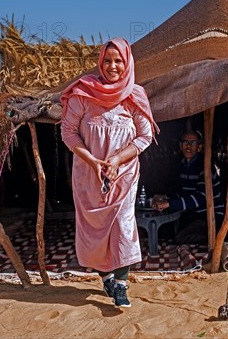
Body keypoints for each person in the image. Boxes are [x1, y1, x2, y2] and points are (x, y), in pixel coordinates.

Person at [61, 37, 158, 308]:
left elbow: (144, 136)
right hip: (88, 173)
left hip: (123, 174)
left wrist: (116, 159)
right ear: (100, 62)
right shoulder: (83, 93)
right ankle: (107, 279)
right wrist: (92, 160)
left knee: (123, 225)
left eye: (118, 61)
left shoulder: (133, 95)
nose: (112, 66)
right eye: (107, 60)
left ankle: (123, 285)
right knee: (94, 229)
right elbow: (68, 132)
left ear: (127, 63)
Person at [151, 131, 224, 243]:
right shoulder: (182, 165)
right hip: (192, 214)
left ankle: (220, 235)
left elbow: (200, 199)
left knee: (180, 238)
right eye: (185, 142)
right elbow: (182, 193)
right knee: (162, 231)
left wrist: (169, 204)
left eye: (193, 143)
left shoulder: (205, 167)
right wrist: (164, 197)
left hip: (209, 215)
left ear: (199, 147)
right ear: (180, 146)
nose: (188, 146)